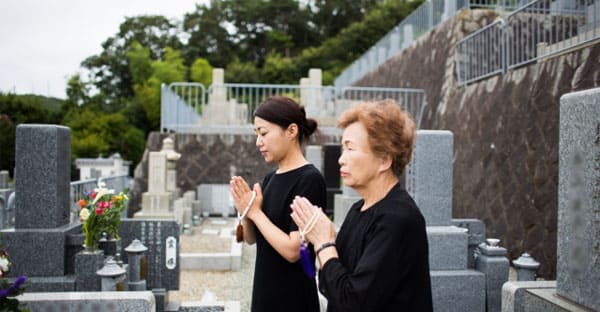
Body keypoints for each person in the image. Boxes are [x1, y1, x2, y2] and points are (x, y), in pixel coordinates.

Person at [290, 99, 433, 312]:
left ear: (384, 160)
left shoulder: (399, 219)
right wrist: (317, 238)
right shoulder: (358, 210)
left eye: (350, 149)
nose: (341, 159)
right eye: (342, 148)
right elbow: (333, 284)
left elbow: (354, 301)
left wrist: (324, 243)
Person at [230, 96, 325, 312]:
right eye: (256, 134)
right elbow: (251, 238)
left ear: (291, 131)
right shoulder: (271, 179)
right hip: (265, 293)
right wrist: (245, 210)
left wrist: (256, 213)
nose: (258, 142)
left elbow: (294, 250)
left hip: (293, 298)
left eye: (263, 133)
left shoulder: (309, 180)